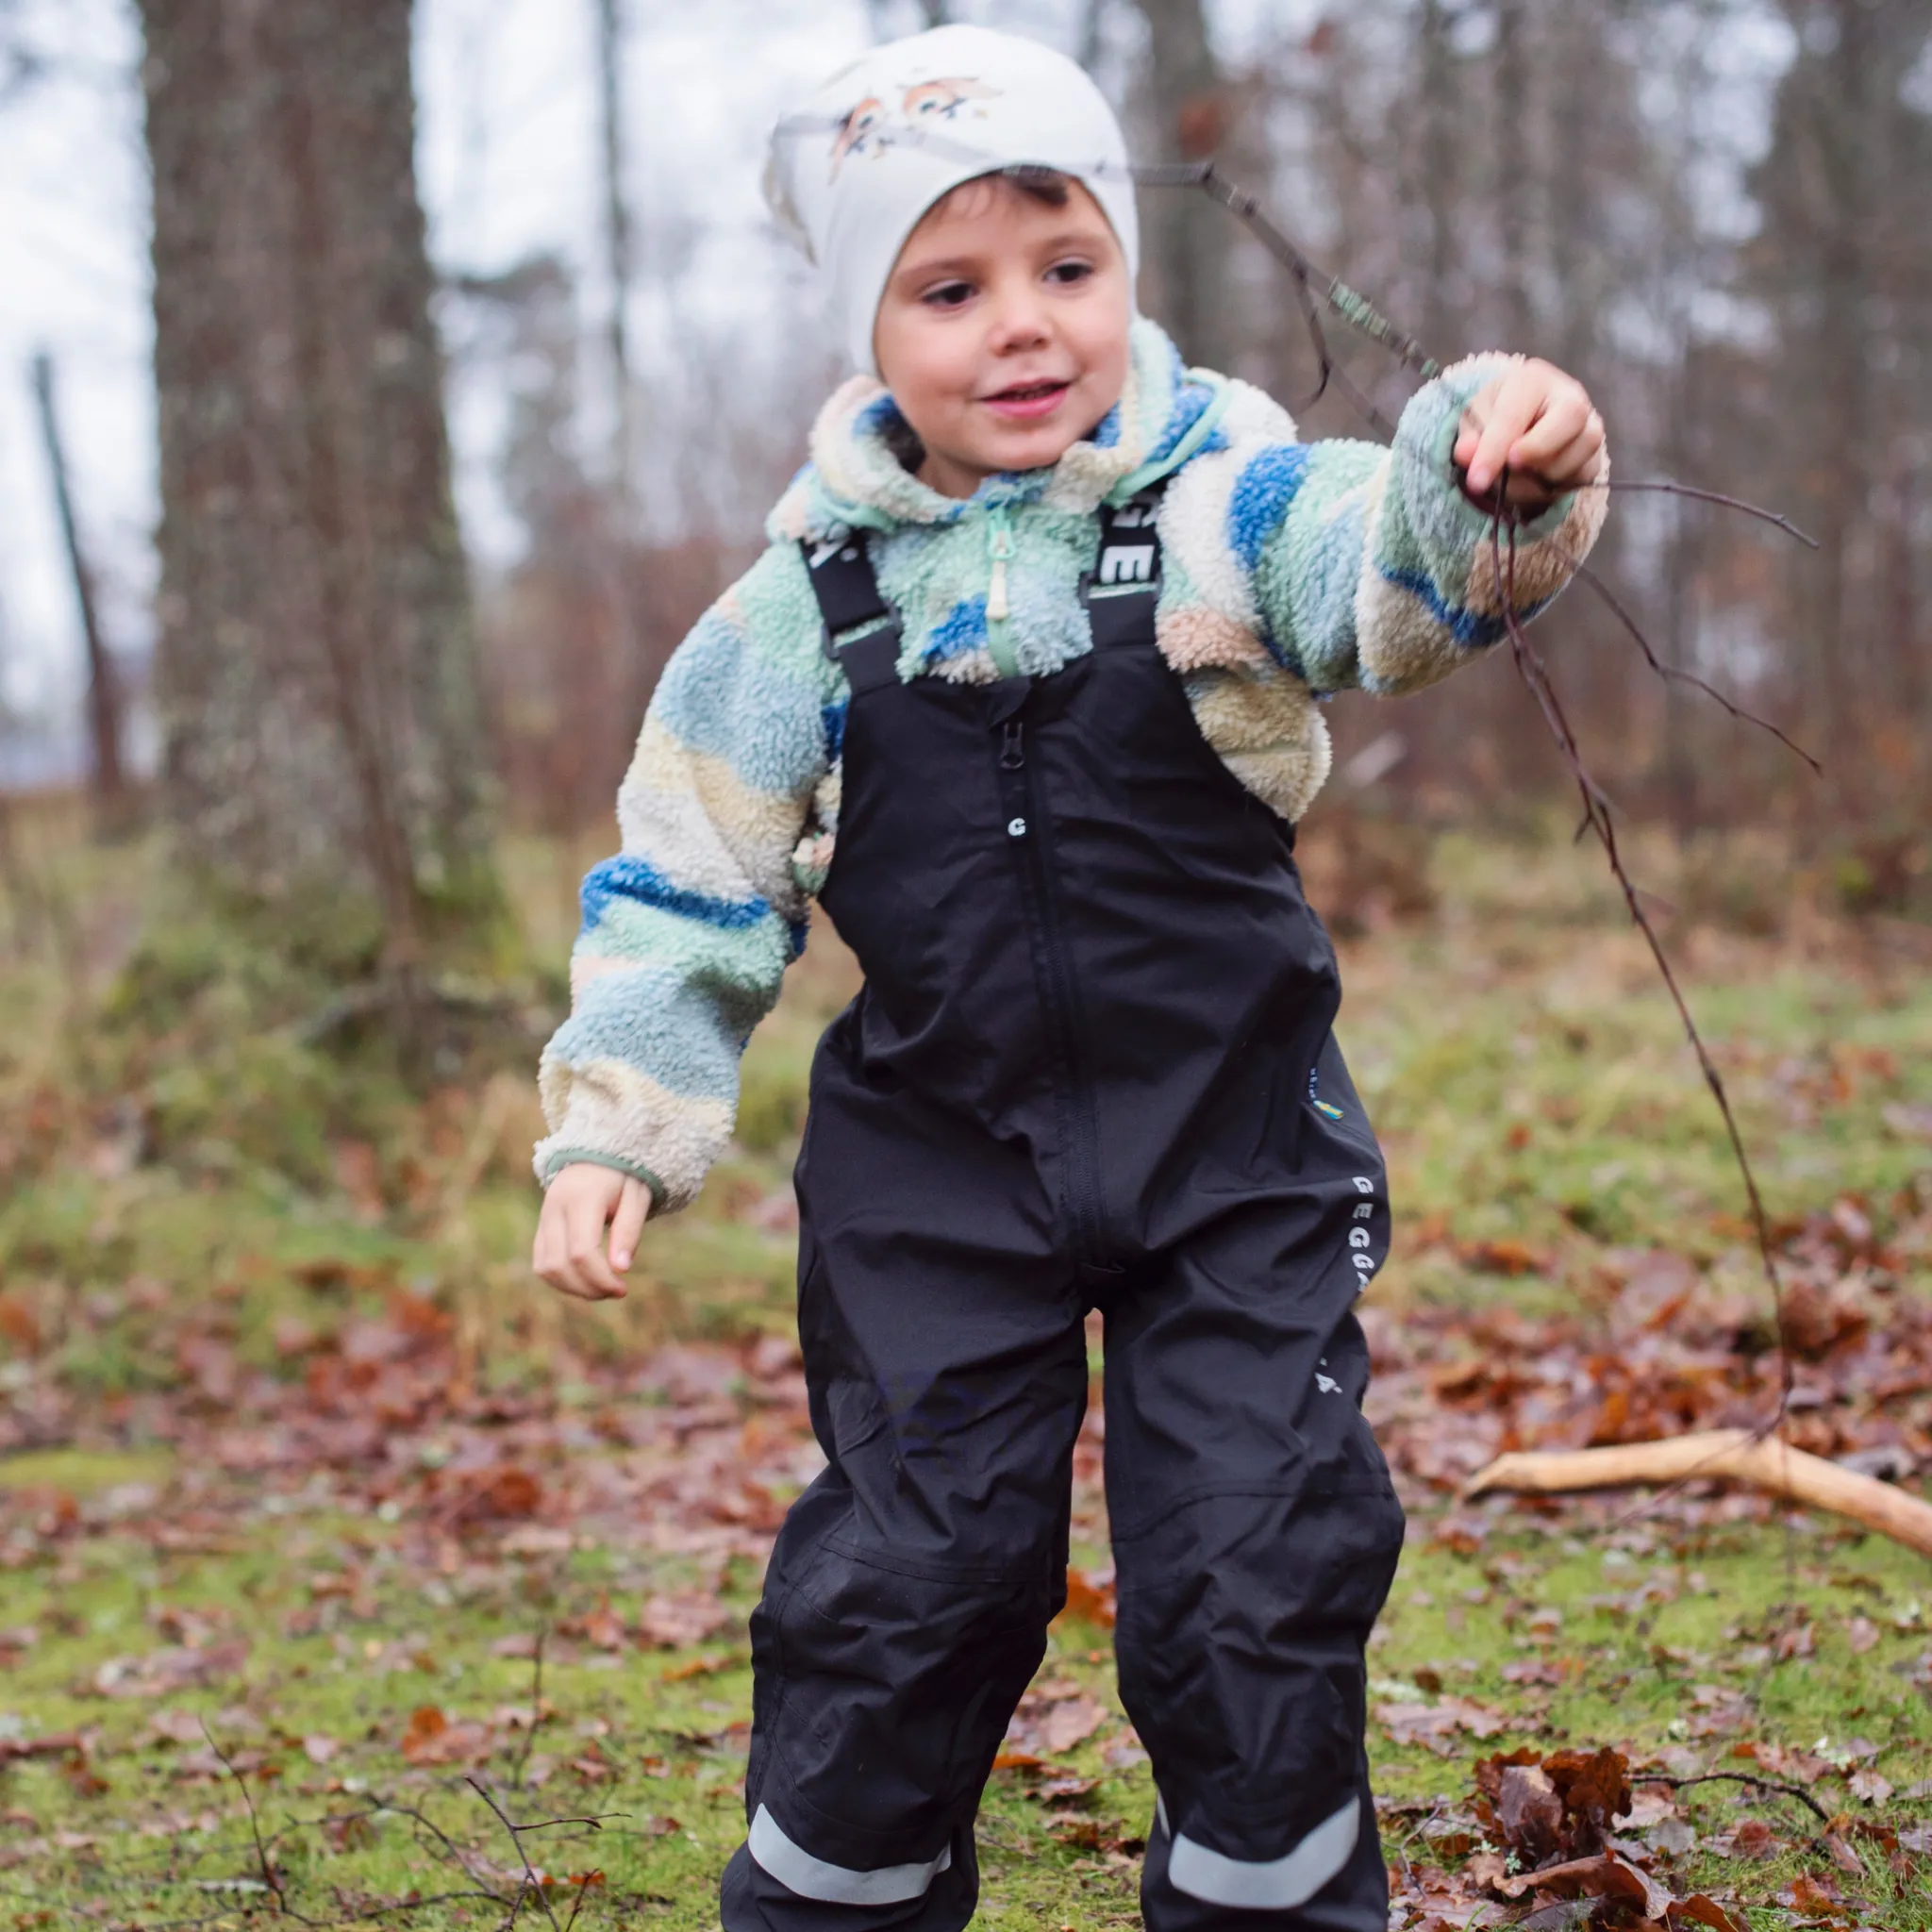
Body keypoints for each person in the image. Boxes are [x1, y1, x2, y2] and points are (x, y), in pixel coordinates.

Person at [531, 24, 1607, 1931]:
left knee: (1250, 1554)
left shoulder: (1217, 508)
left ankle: (1264, 1892)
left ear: (1124, 275)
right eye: (949, 289)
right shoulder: (798, 608)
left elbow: (1385, 573)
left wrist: (1488, 479)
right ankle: (835, 1892)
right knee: (914, 1570)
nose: (1021, 327)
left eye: (1066, 267)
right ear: (870, 329)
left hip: (1235, 1157)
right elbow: (686, 878)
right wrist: (616, 1121)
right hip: (935, 1177)